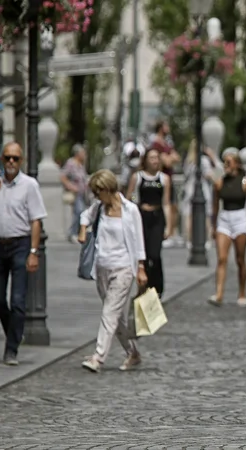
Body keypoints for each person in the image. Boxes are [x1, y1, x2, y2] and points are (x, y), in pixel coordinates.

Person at [78, 170, 146, 373]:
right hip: (102, 266)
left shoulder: (130, 210)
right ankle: (132, 353)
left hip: (123, 267)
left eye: (99, 192)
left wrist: (140, 267)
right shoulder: (99, 208)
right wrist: (83, 229)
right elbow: (85, 216)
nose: (97, 197)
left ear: (109, 189)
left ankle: (98, 358)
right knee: (116, 318)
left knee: (109, 312)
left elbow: (139, 239)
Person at [0, 142, 47, 366]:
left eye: (15, 158)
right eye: (7, 158)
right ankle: (14, 332)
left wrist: (34, 252)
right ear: (1, 159)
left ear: (22, 161)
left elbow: (36, 220)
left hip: (20, 245)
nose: (10, 162)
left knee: (17, 300)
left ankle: (12, 349)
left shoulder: (29, 185)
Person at [208, 149, 246, 307]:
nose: (226, 166)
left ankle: (242, 292)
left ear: (237, 164)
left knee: (240, 259)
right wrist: (214, 226)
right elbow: (215, 207)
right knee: (222, 258)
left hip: (240, 218)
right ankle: (219, 294)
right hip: (224, 219)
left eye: (229, 162)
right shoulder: (219, 183)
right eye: (224, 162)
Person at [125, 148, 174, 299]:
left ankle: (157, 287)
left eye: (157, 158)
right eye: (152, 158)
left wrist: (169, 226)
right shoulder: (137, 177)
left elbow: (166, 203)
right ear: (145, 160)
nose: (155, 161)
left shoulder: (164, 179)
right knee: (142, 254)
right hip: (142, 217)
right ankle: (143, 288)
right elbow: (128, 199)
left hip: (157, 216)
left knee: (155, 254)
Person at [149, 120, 183, 248]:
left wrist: (170, 157)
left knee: (174, 206)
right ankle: (166, 232)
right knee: (165, 204)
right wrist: (169, 158)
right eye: (166, 125)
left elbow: (176, 157)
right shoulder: (156, 143)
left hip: (170, 178)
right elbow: (167, 161)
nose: (168, 127)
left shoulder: (167, 142)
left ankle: (172, 233)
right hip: (161, 179)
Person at [181, 139, 218, 249]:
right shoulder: (203, 160)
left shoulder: (188, 161)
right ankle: (207, 239)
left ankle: (189, 240)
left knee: (189, 216)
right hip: (202, 190)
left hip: (189, 189)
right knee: (206, 215)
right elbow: (209, 174)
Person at [60, 143, 89, 244]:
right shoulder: (71, 163)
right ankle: (72, 233)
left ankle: (76, 232)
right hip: (75, 193)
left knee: (81, 212)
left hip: (82, 193)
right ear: (78, 154)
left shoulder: (81, 165)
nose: (85, 155)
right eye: (83, 153)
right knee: (79, 212)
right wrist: (71, 186)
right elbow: (63, 176)